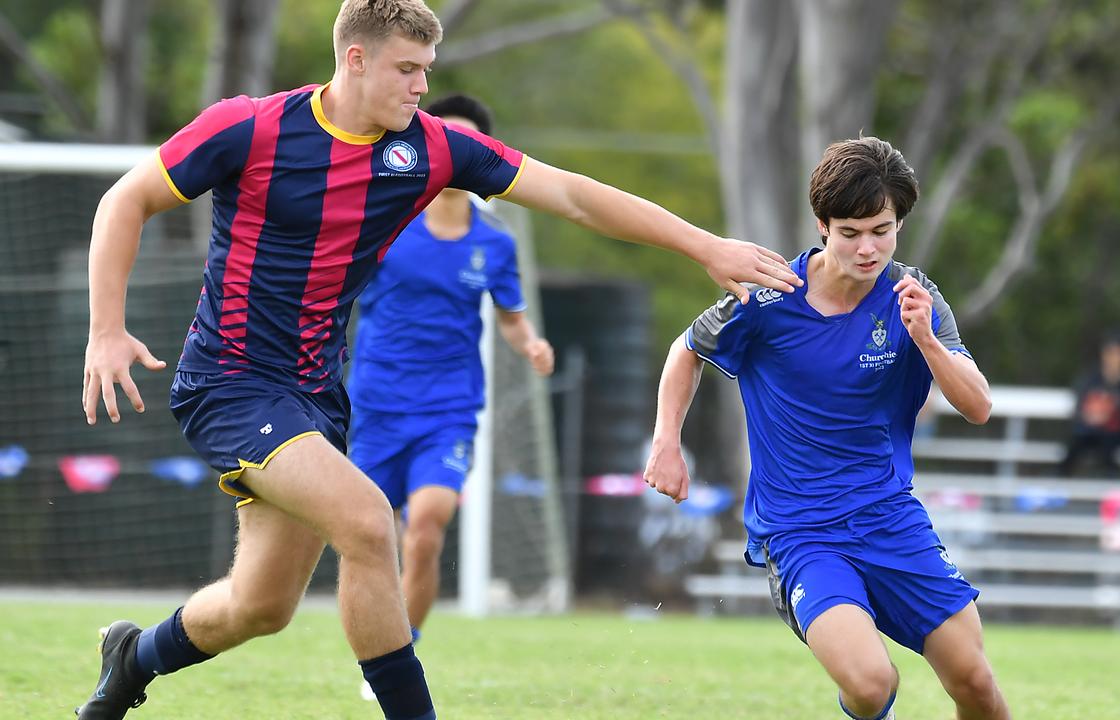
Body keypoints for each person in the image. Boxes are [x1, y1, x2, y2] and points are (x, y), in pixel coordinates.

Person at [76, 1, 801, 717]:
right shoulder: (251, 125)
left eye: (428, 69)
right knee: (367, 518)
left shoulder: (431, 151)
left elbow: (574, 198)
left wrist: (704, 244)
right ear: (354, 59)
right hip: (229, 383)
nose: (422, 86)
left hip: (314, 396)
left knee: (259, 607)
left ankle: (132, 660)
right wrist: (106, 328)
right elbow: (125, 201)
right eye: (407, 69)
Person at [644, 137, 1009, 720]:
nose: (868, 249)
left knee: (975, 683)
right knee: (870, 683)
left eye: (882, 231)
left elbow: (979, 405)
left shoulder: (914, 297)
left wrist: (926, 341)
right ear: (823, 225)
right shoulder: (769, 296)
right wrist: (667, 442)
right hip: (801, 533)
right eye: (851, 232)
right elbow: (685, 350)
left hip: (890, 518)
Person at [345, 93, 552, 699]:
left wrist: (531, 344)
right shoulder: (386, 223)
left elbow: (512, 317)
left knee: (428, 525)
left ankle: (401, 646)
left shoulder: (496, 244)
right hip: (377, 405)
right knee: (366, 535)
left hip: (449, 410)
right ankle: (374, 646)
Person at [1058, 332, 1120, 477]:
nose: (1115, 358)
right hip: (1089, 430)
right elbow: (1080, 406)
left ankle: (1108, 485)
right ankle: (1058, 482)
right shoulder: (1091, 378)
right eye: (1112, 353)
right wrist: (1092, 416)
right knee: (1074, 444)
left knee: (1109, 447)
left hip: (1115, 433)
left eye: (1119, 354)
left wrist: (1110, 412)